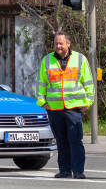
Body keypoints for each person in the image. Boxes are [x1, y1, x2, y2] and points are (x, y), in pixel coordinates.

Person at [36, 31, 94, 179]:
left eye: (61, 43)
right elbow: (41, 84)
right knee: (61, 142)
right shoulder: (47, 61)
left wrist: (88, 102)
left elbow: (88, 83)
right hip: (54, 108)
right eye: (56, 43)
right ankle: (64, 170)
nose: (58, 46)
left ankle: (78, 171)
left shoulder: (80, 59)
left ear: (68, 44)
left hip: (74, 108)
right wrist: (42, 102)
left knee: (75, 141)